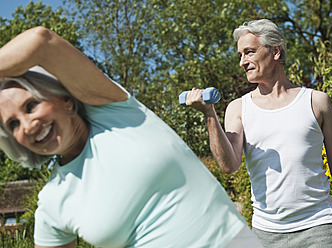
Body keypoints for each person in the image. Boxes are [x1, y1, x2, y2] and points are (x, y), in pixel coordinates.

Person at [0, 27, 265, 248]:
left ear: (67, 101)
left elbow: (42, 42)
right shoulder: (53, 201)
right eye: (12, 124)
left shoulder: (116, 111)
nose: (28, 124)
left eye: (31, 106)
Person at [185, 19, 332, 248]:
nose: (242, 62)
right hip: (266, 235)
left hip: (319, 230)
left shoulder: (317, 102)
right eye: (240, 55)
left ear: (275, 51)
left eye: (249, 52)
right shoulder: (238, 108)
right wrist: (210, 115)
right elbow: (229, 165)